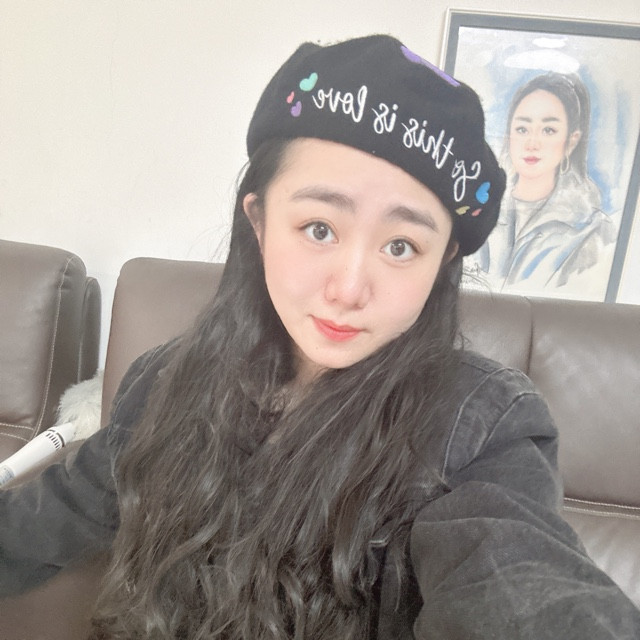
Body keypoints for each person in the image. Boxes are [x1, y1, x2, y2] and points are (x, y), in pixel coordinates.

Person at [1, 35, 639, 639]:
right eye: (319, 229)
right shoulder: (163, 382)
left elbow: (520, 582)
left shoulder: (480, 431)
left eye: (400, 246)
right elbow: (42, 522)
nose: (349, 288)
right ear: (259, 221)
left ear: (443, 261)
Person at [471, 72, 616, 294]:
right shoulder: (476, 209)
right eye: (522, 129)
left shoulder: (593, 231)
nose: (532, 143)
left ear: (571, 141)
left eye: (548, 130)